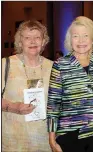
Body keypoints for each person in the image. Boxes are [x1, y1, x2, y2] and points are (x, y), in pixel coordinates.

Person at [47, 16, 93, 152]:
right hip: (70, 135)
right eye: (76, 36)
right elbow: (53, 104)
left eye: (85, 35)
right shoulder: (60, 64)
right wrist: (52, 139)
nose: (81, 41)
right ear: (70, 39)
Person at [1, 20, 53, 151]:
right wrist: (14, 107)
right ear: (20, 42)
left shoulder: (53, 67)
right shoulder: (5, 65)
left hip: (44, 141)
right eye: (27, 38)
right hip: (12, 142)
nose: (33, 41)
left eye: (37, 37)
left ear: (43, 41)